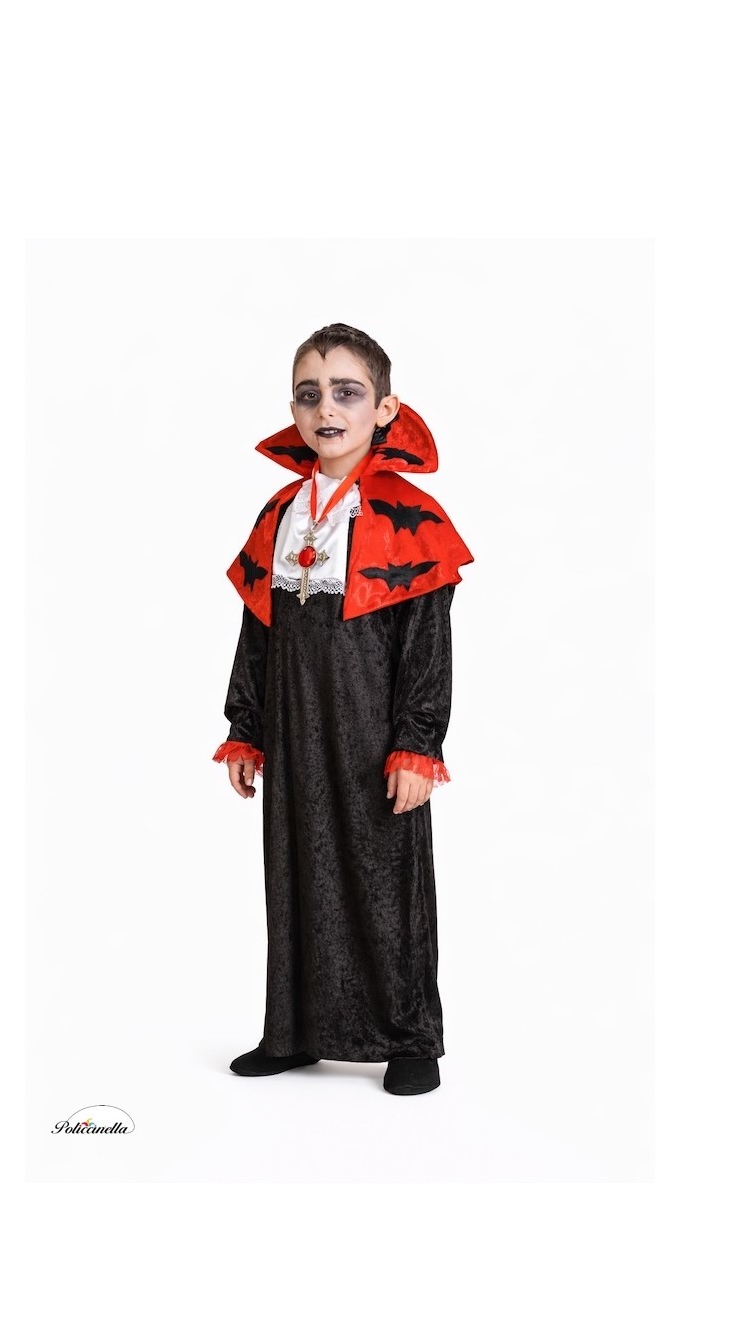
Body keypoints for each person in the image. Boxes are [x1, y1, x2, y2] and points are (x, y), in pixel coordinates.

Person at [212, 323, 474, 1095]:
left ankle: (409, 1036)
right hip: (294, 722)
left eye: (347, 392)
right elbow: (258, 628)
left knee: (384, 877)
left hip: (372, 729)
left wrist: (417, 743)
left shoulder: (410, 517)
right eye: (309, 393)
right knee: (296, 869)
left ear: (384, 408)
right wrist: (245, 726)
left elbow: (427, 644)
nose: (326, 408)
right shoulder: (281, 514)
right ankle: (295, 1029)